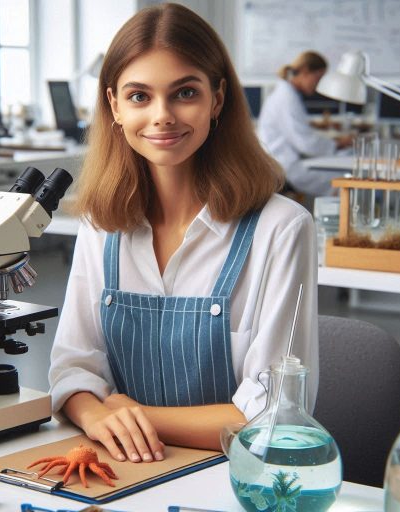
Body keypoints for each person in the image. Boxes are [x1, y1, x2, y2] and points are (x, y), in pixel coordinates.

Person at [49, 3, 318, 465]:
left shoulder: (282, 227)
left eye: (184, 93)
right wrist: (95, 416)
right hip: (122, 470)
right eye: (139, 96)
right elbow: (73, 367)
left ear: (217, 99)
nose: (162, 116)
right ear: (113, 104)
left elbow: (276, 416)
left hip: (237, 478)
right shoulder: (101, 224)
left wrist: (124, 410)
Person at [258, 51, 353, 197]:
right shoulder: (287, 98)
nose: (317, 85)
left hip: (286, 160)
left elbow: (298, 133)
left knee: (343, 171)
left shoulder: (287, 94)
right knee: (343, 179)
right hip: (286, 166)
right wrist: (338, 143)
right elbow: (306, 143)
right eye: (318, 78)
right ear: (305, 72)